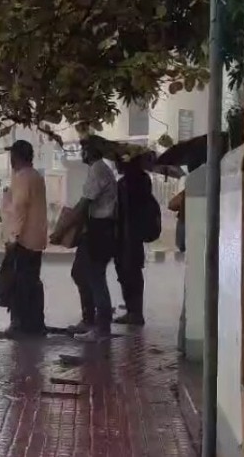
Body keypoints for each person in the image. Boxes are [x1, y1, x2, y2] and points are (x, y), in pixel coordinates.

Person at [71, 140, 119, 342]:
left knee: (95, 277)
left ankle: (101, 326)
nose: (82, 152)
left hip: (100, 229)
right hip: (97, 228)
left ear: (90, 151)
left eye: (84, 149)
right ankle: (90, 319)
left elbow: (85, 202)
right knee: (80, 272)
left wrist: (67, 225)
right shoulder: (99, 169)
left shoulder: (98, 170)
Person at [1, 140, 48, 337]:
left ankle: (19, 325)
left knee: (19, 282)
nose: (10, 159)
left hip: (23, 238)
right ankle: (35, 323)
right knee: (32, 281)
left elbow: (19, 209)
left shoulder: (22, 177)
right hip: (36, 238)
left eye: (12, 155)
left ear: (18, 157)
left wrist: (13, 237)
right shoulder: (36, 176)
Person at [114, 153, 154, 326]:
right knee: (133, 273)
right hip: (135, 236)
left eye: (119, 161)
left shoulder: (126, 183)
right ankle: (134, 310)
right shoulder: (144, 180)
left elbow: (122, 212)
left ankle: (134, 312)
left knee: (127, 274)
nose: (117, 165)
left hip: (126, 236)